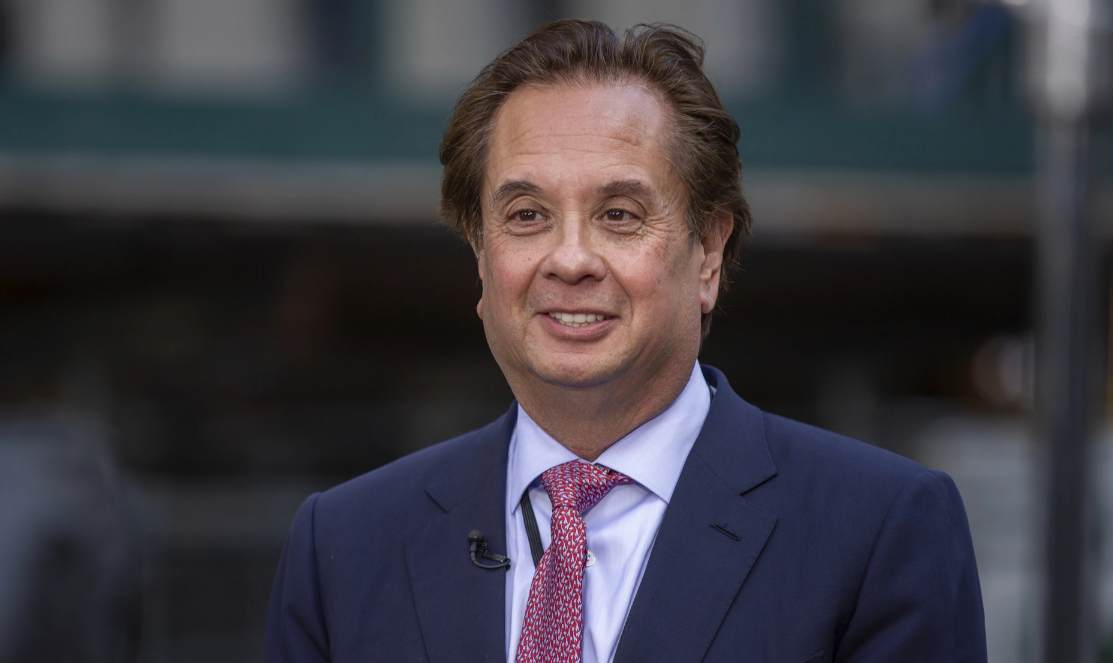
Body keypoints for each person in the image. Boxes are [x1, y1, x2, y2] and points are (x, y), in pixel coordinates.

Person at [266, 19, 986, 663]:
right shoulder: (345, 547)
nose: (570, 259)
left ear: (708, 254)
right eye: (526, 215)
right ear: (481, 256)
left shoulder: (879, 531)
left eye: (618, 214)